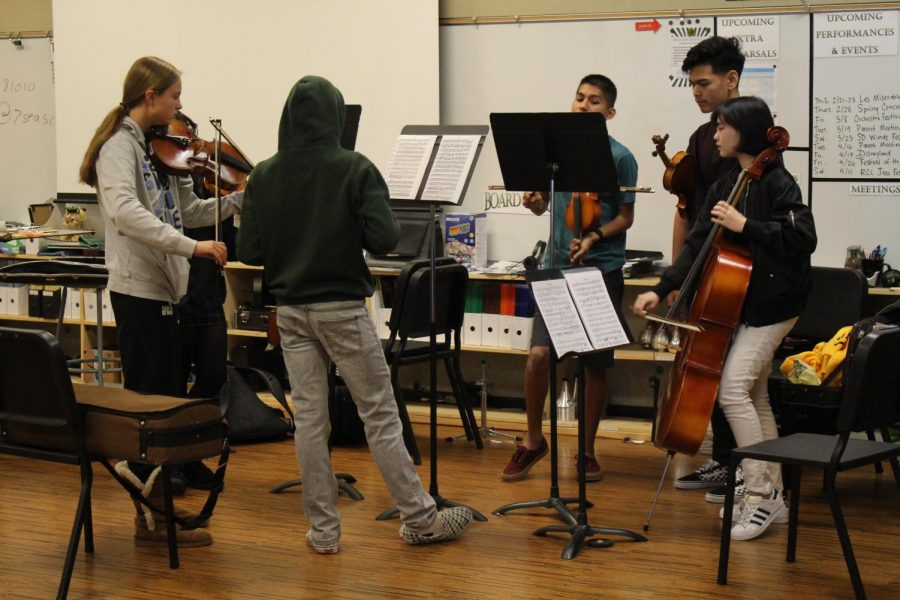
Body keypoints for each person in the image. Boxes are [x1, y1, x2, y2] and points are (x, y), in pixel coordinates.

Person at [236, 75, 472, 554]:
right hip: (342, 307)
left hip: (291, 312)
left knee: (309, 421)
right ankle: (421, 519)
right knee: (380, 416)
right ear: (336, 116)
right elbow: (387, 239)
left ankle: (323, 533)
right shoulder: (355, 167)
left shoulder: (263, 174)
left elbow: (251, 249)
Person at [633, 96, 817, 540]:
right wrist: (661, 289)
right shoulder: (727, 183)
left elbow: (803, 236)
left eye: (721, 127)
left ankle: (760, 496)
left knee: (732, 389)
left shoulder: (777, 180)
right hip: (745, 307)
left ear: (746, 131)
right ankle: (774, 495)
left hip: (776, 306)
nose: (714, 134)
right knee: (754, 396)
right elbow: (697, 243)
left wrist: (744, 225)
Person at [79, 56, 242, 547]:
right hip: (139, 291)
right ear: (149, 96)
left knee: (166, 402)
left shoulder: (159, 152)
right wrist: (193, 248)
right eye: (174, 95)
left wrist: (241, 199)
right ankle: (150, 522)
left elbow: (189, 211)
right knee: (148, 411)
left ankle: (157, 515)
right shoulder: (117, 149)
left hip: (166, 291)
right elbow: (126, 214)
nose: (180, 104)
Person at [501, 74, 638, 483]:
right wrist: (536, 200)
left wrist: (595, 235)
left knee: (594, 365)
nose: (583, 105)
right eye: (579, 98)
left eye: (594, 101)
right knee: (539, 357)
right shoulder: (554, 155)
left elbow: (626, 216)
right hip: (556, 271)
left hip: (600, 270)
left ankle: (588, 451)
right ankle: (531, 440)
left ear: (609, 112)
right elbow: (545, 209)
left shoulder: (621, 156)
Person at [670, 37, 745, 503]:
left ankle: (744, 464)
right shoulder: (701, 136)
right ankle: (724, 457)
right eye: (692, 84)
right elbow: (688, 208)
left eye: (704, 82)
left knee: (735, 373)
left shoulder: (752, 132)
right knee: (709, 367)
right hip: (704, 266)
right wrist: (679, 274)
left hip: (736, 269)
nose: (696, 92)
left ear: (731, 79)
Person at [171, 112, 236, 491]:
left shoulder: (204, 181)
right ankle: (176, 462)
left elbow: (228, 240)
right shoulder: (164, 176)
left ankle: (193, 456)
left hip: (208, 289)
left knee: (213, 373)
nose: (190, 148)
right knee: (173, 382)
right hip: (176, 288)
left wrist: (234, 198)